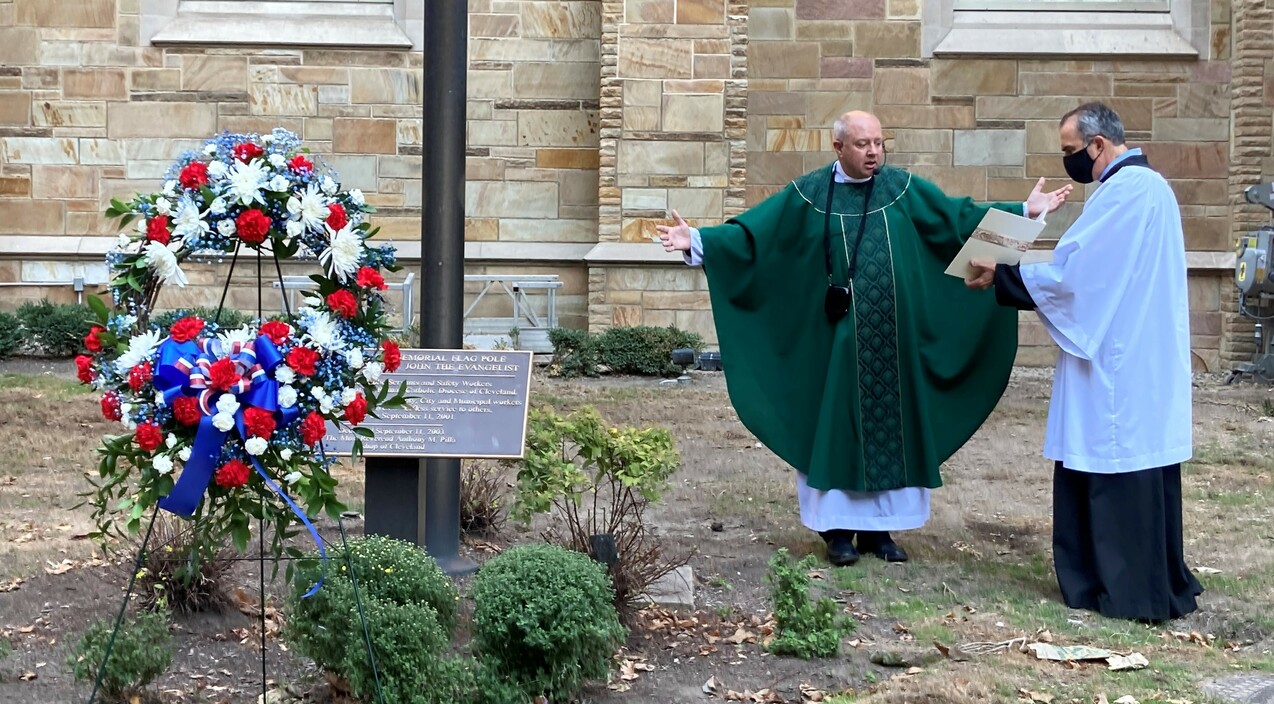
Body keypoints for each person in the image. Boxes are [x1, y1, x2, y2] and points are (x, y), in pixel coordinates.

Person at [657, 111, 1071, 566]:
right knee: (836, 429)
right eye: (862, 144)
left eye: (878, 142)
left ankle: (880, 533)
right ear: (838, 148)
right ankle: (836, 533)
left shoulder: (902, 190)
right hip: (834, 347)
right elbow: (755, 238)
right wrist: (696, 240)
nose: (873, 151)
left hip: (894, 345)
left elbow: (959, 221)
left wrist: (1023, 213)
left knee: (892, 430)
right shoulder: (808, 195)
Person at [964, 102, 1202, 622]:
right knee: (1128, 459)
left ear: (1098, 145)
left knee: (1114, 457)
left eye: (1071, 150)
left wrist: (1004, 268)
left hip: (1118, 358)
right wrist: (1022, 222)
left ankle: (1125, 590)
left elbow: (1077, 276)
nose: (1068, 160)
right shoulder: (1149, 188)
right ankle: (1146, 582)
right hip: (1135, 350)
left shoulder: (1128, 192)